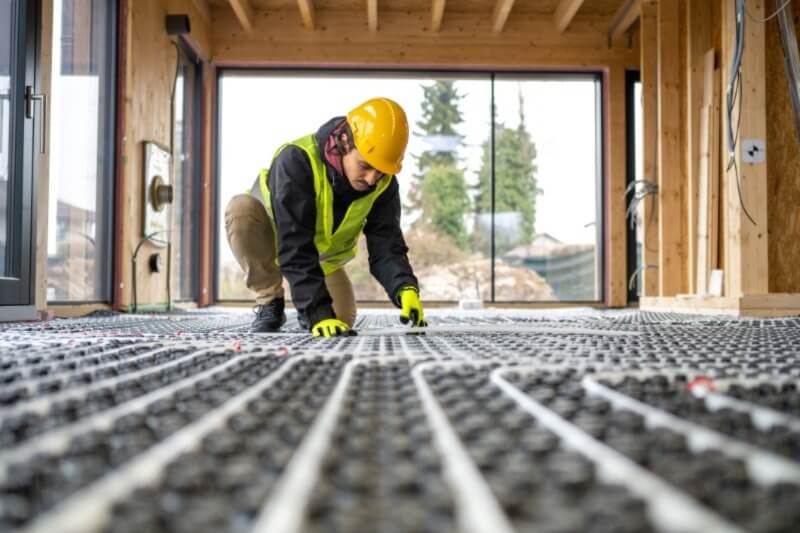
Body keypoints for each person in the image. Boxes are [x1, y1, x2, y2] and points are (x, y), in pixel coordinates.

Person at [224, 97, 427, 337]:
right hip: (278, 239)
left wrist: (405, 288)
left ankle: (305, 308)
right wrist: (316, 313)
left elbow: (386, 244)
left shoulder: (384, 184)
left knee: (340, 320)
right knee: (241, 209)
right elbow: (295, 244)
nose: (372, 179)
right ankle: (269, 300)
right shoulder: (297, 160)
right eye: (365, 166)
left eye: (381, 171)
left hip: (322, 260)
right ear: (344, 141)